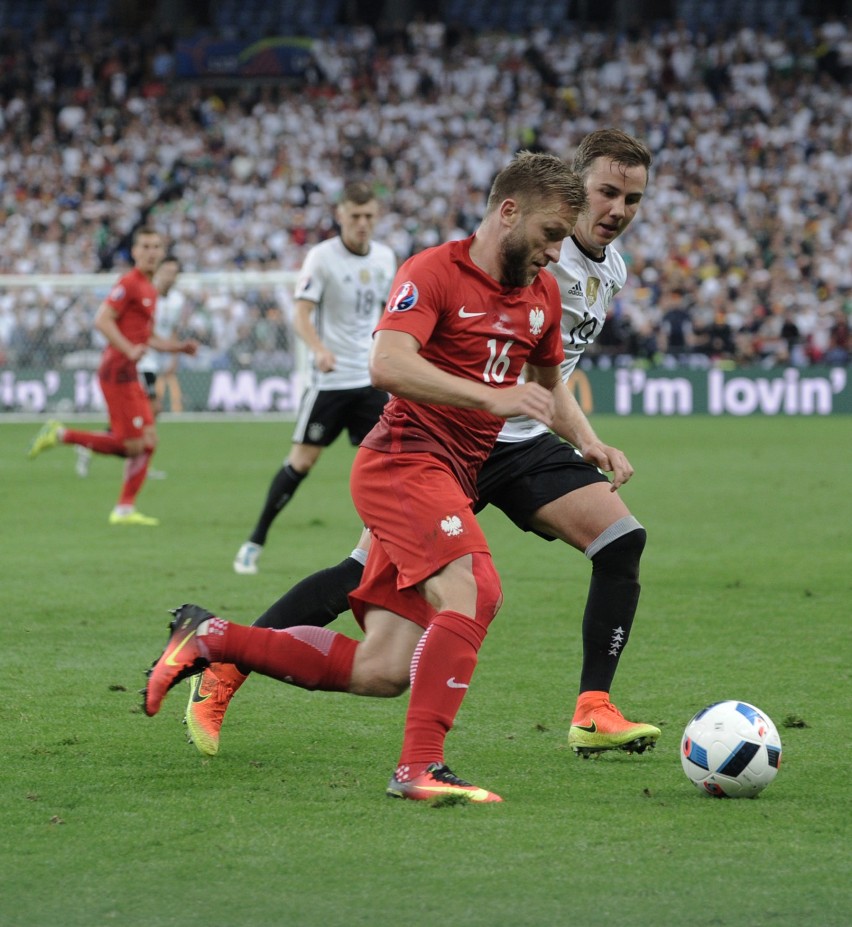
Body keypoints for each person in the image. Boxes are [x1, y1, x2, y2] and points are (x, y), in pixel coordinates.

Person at [182, 129, 660, 763]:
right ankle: (225, 667)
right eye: (606, 193)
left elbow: (554, 375)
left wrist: (590, 440)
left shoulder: (610, 269)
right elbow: (458, 290)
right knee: (358, 576)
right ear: (573, 190)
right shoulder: (534, 247)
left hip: (521, 441)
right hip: (444, 438)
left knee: (621, 539)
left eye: (632, 198)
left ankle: (593, 709)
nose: (618, 210)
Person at [233, 181, 397, 575]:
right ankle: (254, 542)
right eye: (355, 216)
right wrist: (319, 350)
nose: (362, 224)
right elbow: (301, 313)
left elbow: (386, 313)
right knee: (302, 462)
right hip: (330, 382)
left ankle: (375, 553)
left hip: (371, 380)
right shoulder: (321, 258)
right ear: (340, 215)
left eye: (369, 216)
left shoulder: (385, 258)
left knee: (390, 463)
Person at [28, 228, 198, 525]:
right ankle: (61, 435)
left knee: (149, 439)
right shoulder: (130, 283)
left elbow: (148, 336)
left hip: (130, 371)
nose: (152, 252)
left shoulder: (149, 289)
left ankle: (124, 509)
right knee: (130, 445)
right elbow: (102, 320)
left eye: (157, 246)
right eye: (145, 246)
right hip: (116, 372)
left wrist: (178, 347)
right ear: (134, 251)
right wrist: (129, 349)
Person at [74, 254, 184, 479]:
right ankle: (120, 455)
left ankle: (106, 448)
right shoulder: (142, 290)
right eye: (167, 272)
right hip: (137, 362)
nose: (170, 277)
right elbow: (113, 320)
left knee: (142, 418)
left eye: (174, 273)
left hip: (152, 360)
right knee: (148, 414)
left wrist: (174, 355)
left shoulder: (176, 300)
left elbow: (169, 330)